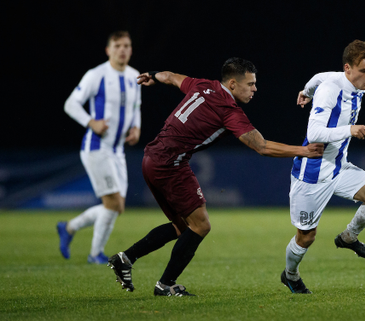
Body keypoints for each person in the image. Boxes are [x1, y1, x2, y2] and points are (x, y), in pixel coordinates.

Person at [107, 57, 324, 297]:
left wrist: (152, 74)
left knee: (182, 228)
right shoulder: (227, 110)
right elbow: (261, 146)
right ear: (232, 84)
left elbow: (169, 76)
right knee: (201, 226)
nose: (255, 89)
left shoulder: (202, 85)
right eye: (250, 84)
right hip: (171, 164)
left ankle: (125, 258)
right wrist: (303, 151)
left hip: (151, 159)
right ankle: (166, 284)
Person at [281, 40, 365, 294]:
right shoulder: (331, 90)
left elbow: (318, 77)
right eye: (364, 71)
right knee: (306, 237)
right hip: (312, 173)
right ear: (348, 68)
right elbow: (314, 132)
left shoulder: (344, 80)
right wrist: (350, 130)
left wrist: (306, 91)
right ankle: (290, 275)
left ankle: (348, 237)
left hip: (338, 167)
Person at [58, 31, 141, 264]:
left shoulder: (135, 76)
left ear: (131, 49)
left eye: (126, 45)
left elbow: (136, 107)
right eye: (117, 46)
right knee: (113, 203)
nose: (122, 50)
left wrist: (136, 128)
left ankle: (69, 227)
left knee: (117, 206)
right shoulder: (97, 75)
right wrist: (90, 122)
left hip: (117, 151)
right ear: (108, 50)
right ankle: (95, 254)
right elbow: (71, 104)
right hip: (96, 147)